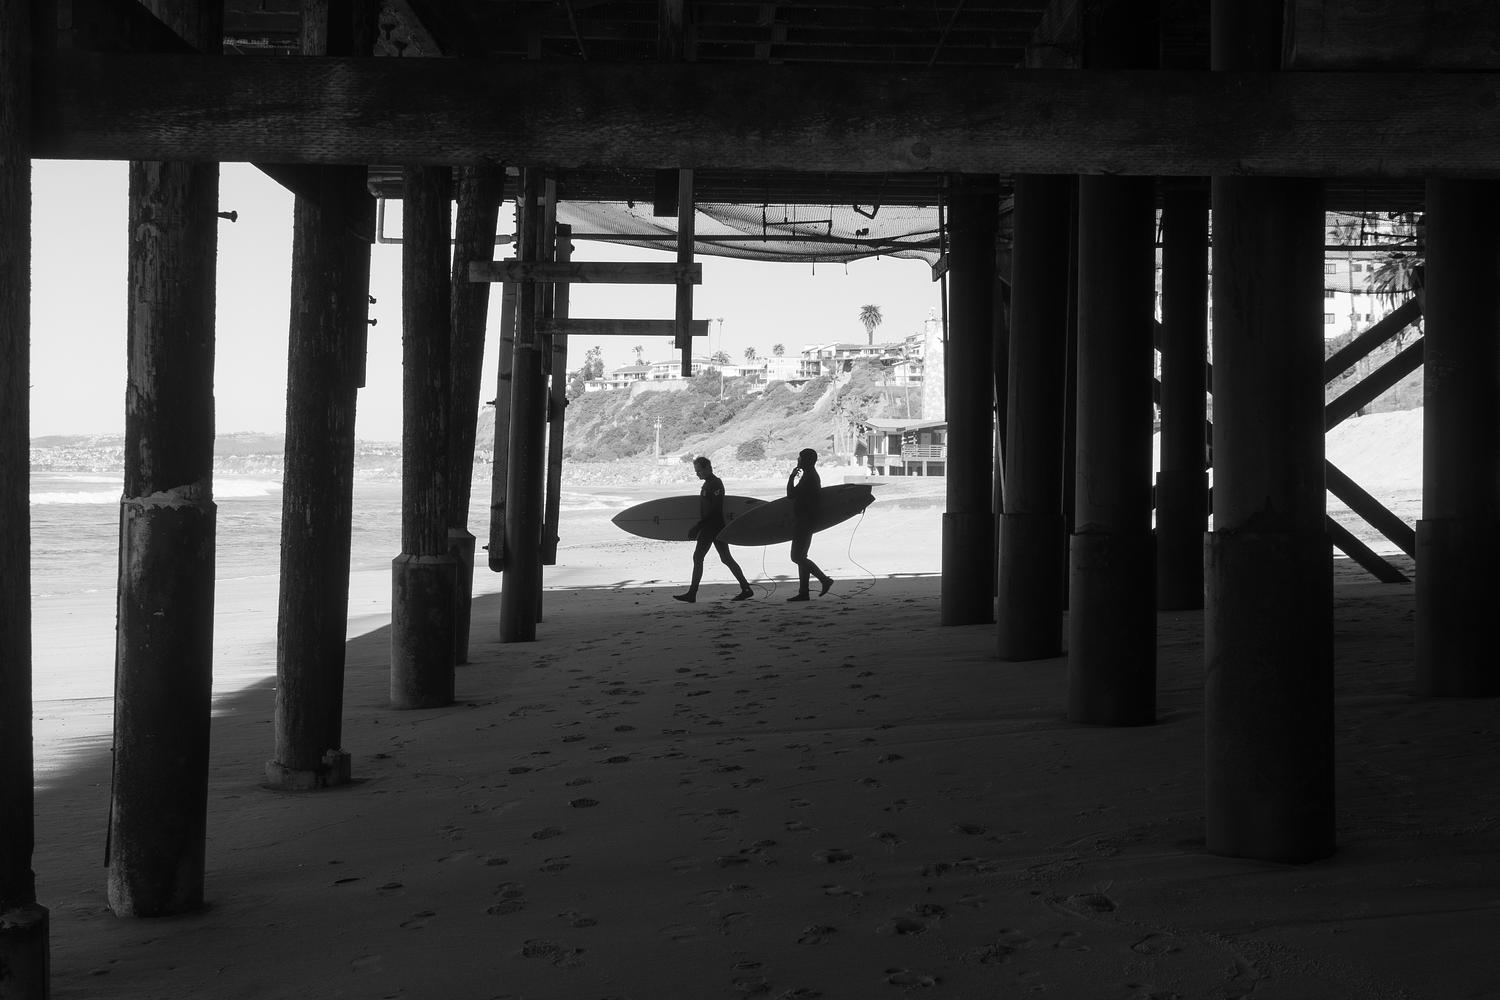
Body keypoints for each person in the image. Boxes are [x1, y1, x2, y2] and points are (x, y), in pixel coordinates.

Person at [675, 456, 754, 604]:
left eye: (699, 470)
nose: (697, 474)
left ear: (708, 468)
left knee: (699, 557)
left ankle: (692, 593)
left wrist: (698, 526)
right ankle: (746, 588)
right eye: (696, 471)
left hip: (713, 527)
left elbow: (715, 509)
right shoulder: (708, 483)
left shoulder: (715, 483)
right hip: (712, 526)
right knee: (725, 558)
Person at [785, 447, 834, 602]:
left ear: (805, 460)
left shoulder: (809, 477)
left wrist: (791, 477)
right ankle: (804, 592)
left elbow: (790, 494)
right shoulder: (810, 475)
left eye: (800, 458)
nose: (798, 460)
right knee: (801, 556)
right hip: (806, 520)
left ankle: (824, 580)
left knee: (796, 556)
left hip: (804, 521)